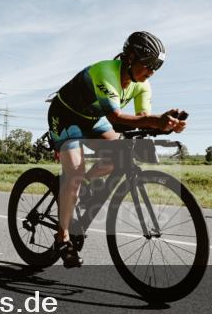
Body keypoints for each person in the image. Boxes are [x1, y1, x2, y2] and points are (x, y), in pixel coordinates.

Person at [46, 31, 187, 268]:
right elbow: (118, 117)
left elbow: (142, 118)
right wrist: (156, 121)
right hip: (67, 116)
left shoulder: (142, 86)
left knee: (123, 154)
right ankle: (63, 237)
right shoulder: (105, 71)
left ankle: (84, 188)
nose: (151, 72)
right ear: (130, 57)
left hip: (93, 118)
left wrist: (167, 126)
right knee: (75, 172)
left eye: (156, 67)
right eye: (148, 65)